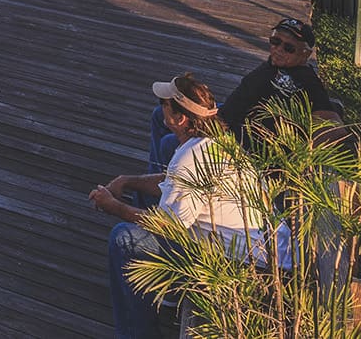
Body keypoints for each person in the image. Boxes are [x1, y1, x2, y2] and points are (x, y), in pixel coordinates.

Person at [92, 73, 271, 339]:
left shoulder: (190, 157)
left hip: (232, 262)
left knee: (123, 238)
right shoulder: (218, 140)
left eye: (164, 103)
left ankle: (136, 333)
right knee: (142, 204)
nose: (160, 107)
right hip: (250, 248)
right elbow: (172, 184)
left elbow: (170, 227)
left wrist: (114, 206)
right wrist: (129, 182)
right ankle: (168, 291)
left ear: (179, 118)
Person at [219, 16, 335, 139]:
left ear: (305, 54)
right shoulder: (269, 66)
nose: (279, 49)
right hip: (233, 129)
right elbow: (239, 98)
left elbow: (330, 125)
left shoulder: (308, 82)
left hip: (260, 148)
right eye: (275, 41)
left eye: (289, 48)